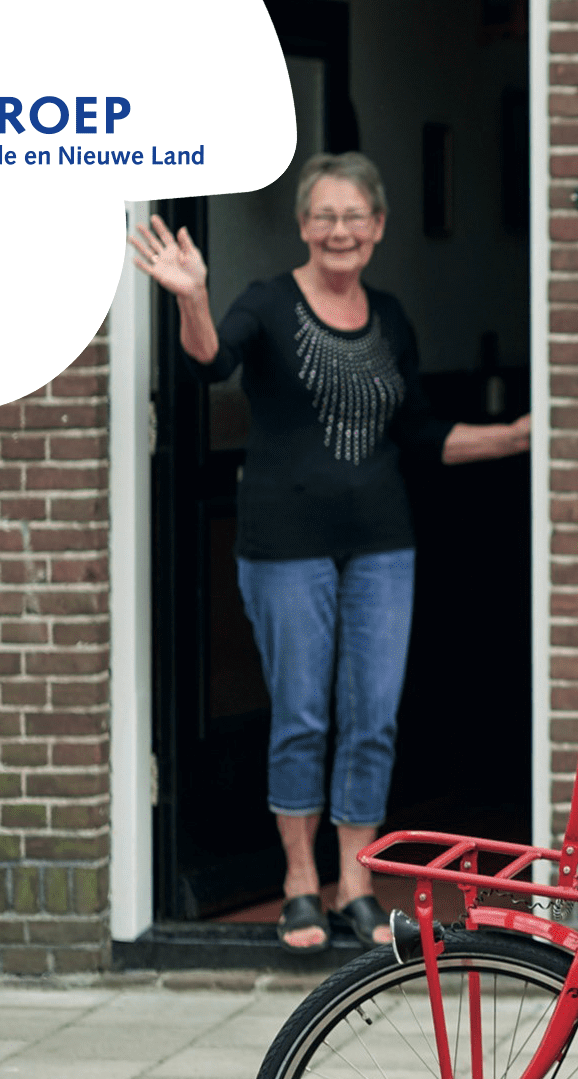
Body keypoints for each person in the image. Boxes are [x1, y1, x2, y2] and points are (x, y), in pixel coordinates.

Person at [127, 152, 532, 950]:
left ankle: (356, 880)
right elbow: (212, 362)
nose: (340, 230)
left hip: (383, 544)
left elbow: (420, 434)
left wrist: (518, 436)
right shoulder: (267, 303)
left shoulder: (390, 317)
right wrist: (193, 299)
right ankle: (298, 883)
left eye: (355, 216)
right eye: (325, 216)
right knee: (304, 714)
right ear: (304, 226)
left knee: (373, 717)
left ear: (378, 228)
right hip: (285, 548)